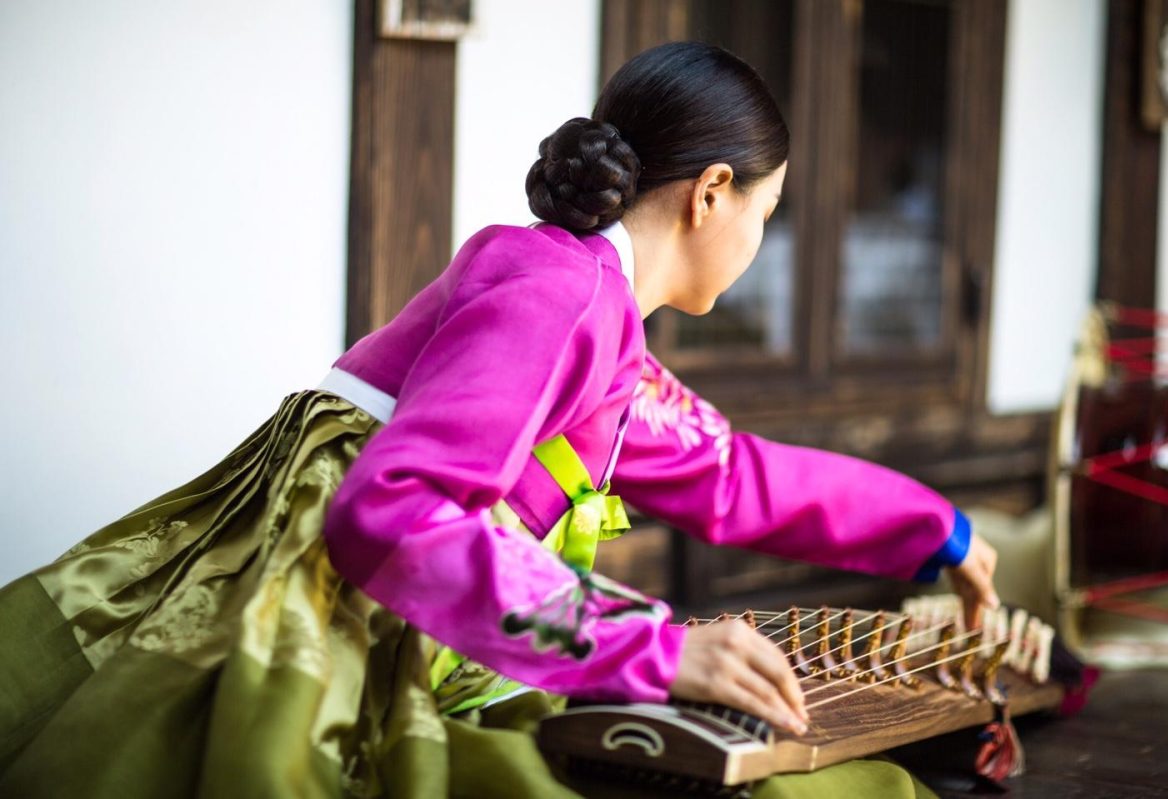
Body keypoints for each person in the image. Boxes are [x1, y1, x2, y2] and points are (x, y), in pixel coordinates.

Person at [0, 41, 998, 798]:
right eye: (767, 214)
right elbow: (389, 511)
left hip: (413, 602)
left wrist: (936, 530)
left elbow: (731, 475)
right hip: (332, 596)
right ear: (712, 194)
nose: (758, 239)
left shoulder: (601, 328)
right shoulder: (550, 288)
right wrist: (654, 645)